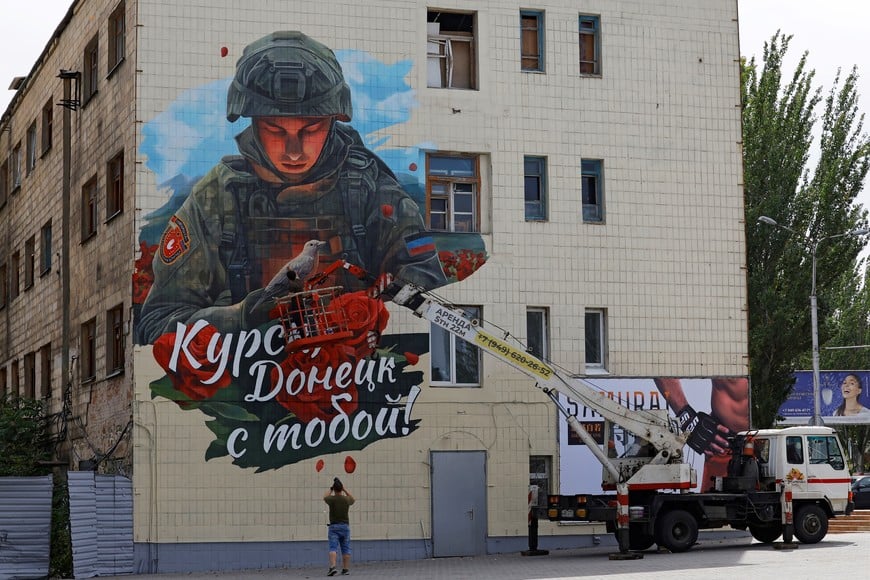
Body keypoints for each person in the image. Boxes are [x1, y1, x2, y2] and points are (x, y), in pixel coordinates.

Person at [138, 31, 447, 344]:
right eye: (275, 130)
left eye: (311, 129)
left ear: (334, 121)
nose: (294, 152)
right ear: (253, 123)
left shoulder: (371, 189)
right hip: (250, 370)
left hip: (354, 368)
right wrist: (243, 317)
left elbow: (427, 287)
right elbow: (157, 323)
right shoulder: (216, 197)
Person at [653, 377, 750, 491]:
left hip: (767, 442)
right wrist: (688, 418)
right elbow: (660, 366)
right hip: (724, 445)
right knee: (714, 503)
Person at [324, 477, 355, 576]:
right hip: (345, 527)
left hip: (334, 527)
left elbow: (325, 497)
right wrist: (344, 490)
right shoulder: (346, 500)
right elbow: (353, 499)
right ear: (341, 488)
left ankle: (333, 567)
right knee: (346, 548)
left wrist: (331, 489)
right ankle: (345, 569)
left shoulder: (332, 499)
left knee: (333, 547)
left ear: (334, 489)